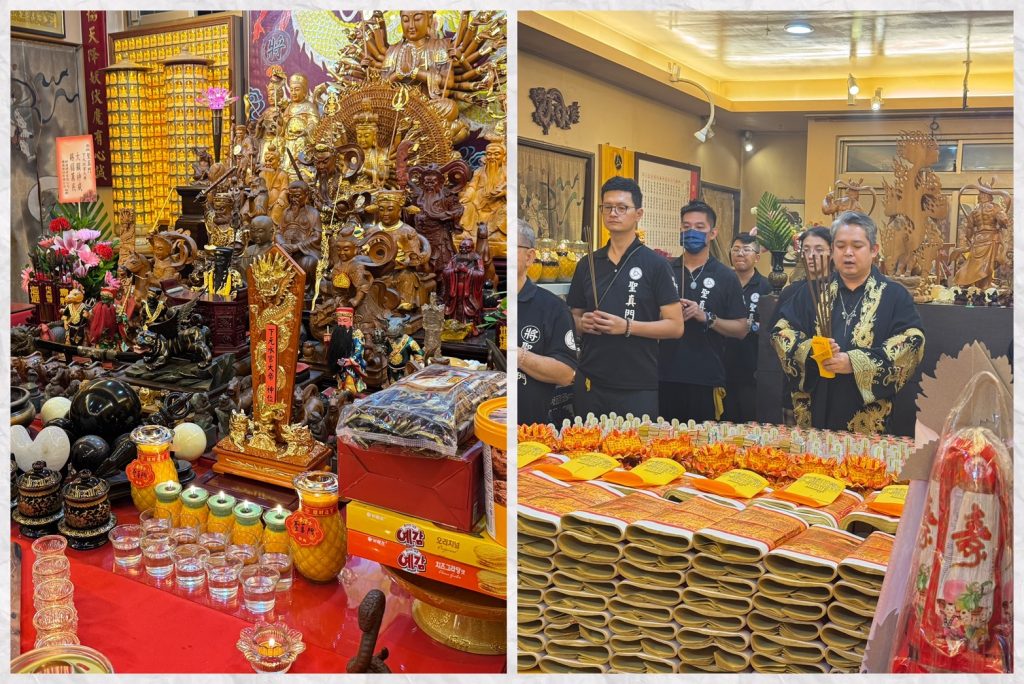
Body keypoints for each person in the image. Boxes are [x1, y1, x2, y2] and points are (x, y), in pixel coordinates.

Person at [772, 211, 926, 434]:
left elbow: (912, 342)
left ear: (874, 250)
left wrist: (855, 363)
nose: (848, 253)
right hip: (815, 409)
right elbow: (781, 332)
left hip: (869, 418)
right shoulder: (811, 292)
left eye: (857, 246)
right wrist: (811, 352)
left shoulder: (894, 296)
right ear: (832, 250)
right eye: (841, 246)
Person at [567, 176, 683, 419]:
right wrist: (581, 323)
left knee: (634, 444)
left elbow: (675, 326)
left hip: (637, 383)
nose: (613, 213)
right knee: (584, 443)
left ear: (638, 213)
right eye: (607, 207)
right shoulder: (588, 263)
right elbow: (573, 316)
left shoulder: (656, 264)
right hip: (590, 380)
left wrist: (627, 326)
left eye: (622, 207)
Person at [658, 201, 748, 423]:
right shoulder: (664, 270)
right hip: (664, 374)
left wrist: (706, 317)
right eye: (686, 227)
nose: (692, 232)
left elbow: (741, 329)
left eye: (699, 227)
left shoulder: (726, 276)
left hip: (706, 376)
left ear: (712, 233)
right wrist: (667, 316)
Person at [769, 226, 833, 425]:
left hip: (835, 385)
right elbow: (775, 336)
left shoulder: (840, 290)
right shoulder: (791, 292)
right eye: (806, 250)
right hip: (797, 385)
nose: (811, 255)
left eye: (819, 249)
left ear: (832, 252)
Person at [516, 220, 577, 425]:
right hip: (486, 421)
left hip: (530, 429)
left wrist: (519, 356)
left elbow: (567, 373)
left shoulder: (553, 308)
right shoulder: (489, 301)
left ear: (529, 257)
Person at [722, 232, 773, 423]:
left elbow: (771, 328)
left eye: (746, 250)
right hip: (722, 364)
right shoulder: (722, 283)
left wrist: (752, 327)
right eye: (736, 249)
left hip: (752, 367)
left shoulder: (767, 287)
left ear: (757, 257)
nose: (740, 254)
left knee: (749, 420)